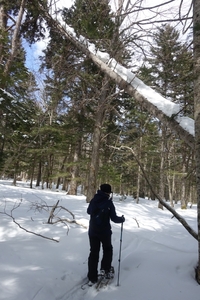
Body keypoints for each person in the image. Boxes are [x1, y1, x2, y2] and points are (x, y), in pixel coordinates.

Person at [87, 183, 125, 285]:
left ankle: (92, 276)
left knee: (94, 252)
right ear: (108, 192)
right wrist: (122, 219)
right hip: (105, 232)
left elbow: (88, 211)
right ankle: (105, 269)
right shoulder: (109, 203)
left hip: (92, 231)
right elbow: (114, 218)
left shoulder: (94, 200)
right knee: (107, 249)